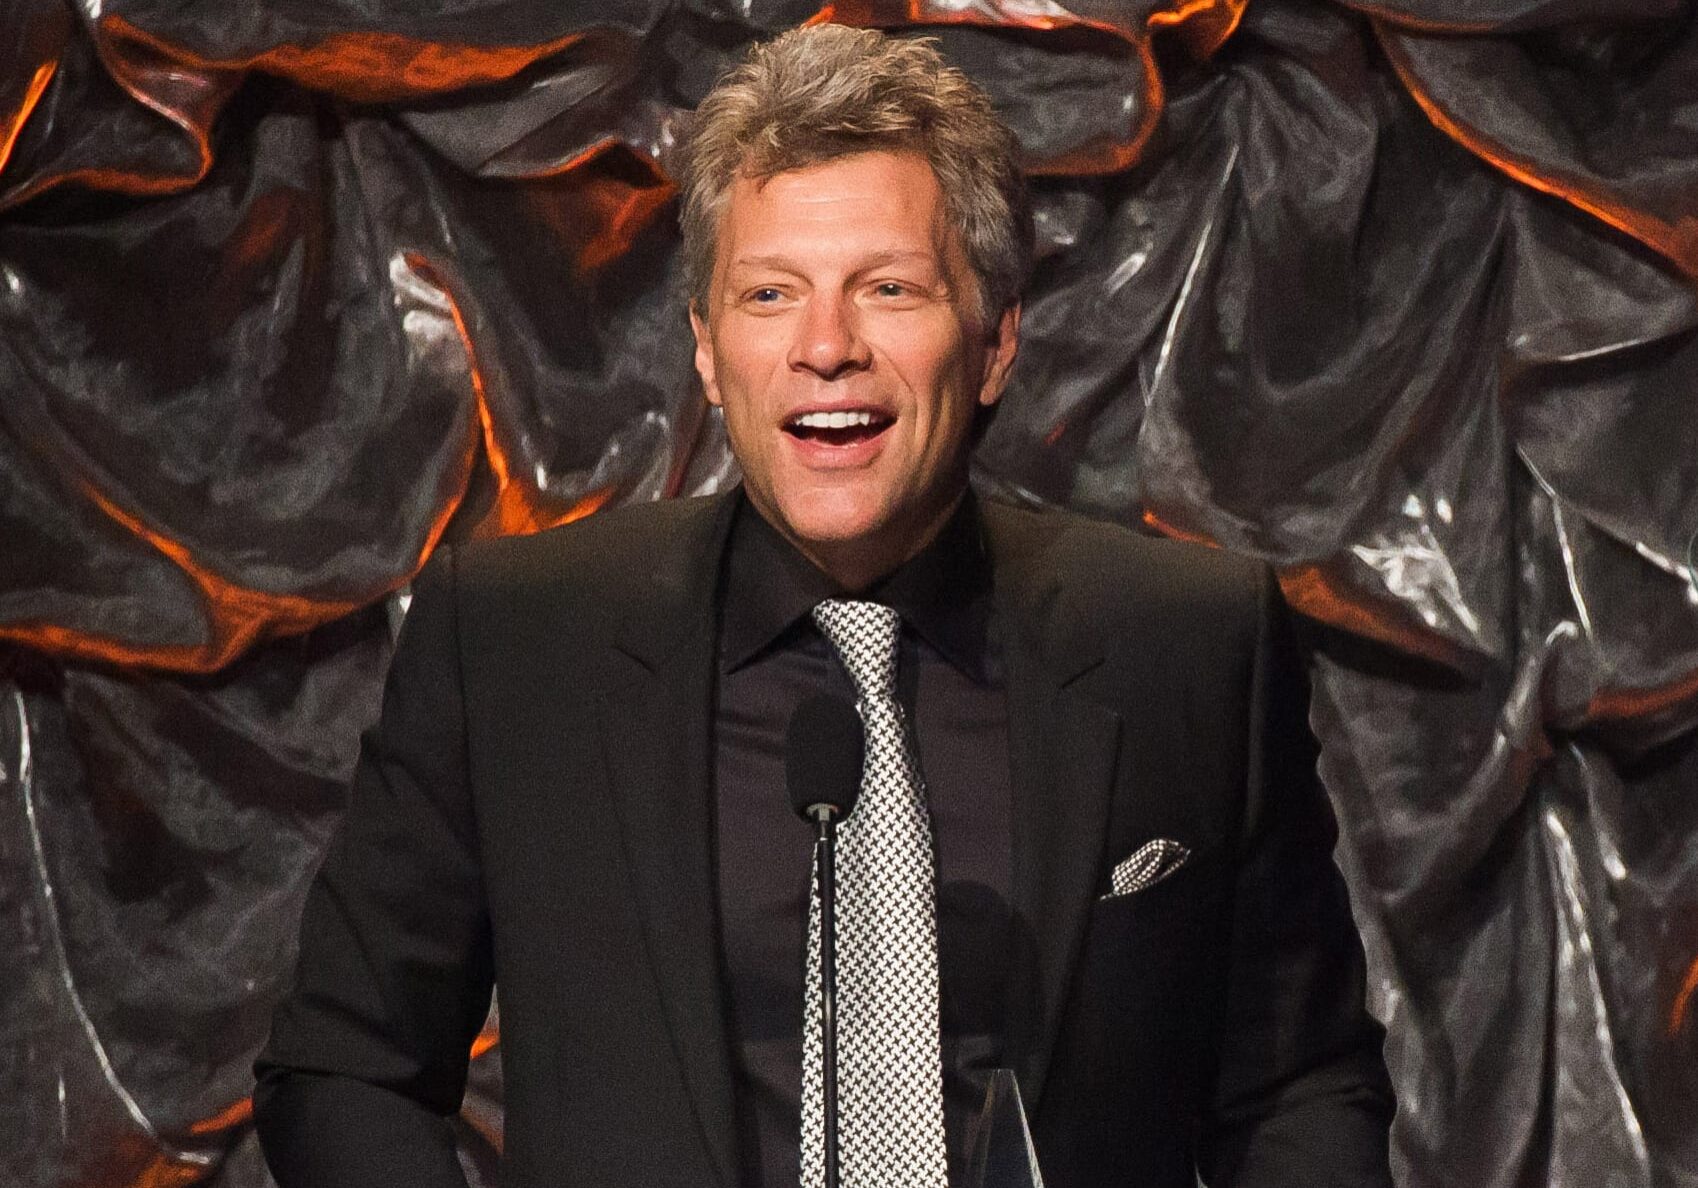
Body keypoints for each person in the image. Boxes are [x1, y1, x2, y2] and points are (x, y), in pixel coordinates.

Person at [253, 23, 1394, 1188]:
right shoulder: (515, 642)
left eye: (888, 289)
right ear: (707, 351)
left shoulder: (1188, 644)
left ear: (995, 340)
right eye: (769, 294)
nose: (826, 348)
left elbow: (1299, 1090)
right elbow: (345, 1069)